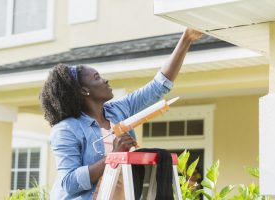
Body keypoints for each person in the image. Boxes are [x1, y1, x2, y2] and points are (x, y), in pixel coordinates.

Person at [40, 28, 203, 200]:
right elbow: (69, 183)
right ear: (83, 90)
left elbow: (159, 86)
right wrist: (113, 157)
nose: (105, 80)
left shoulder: (118, 111)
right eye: (97, 77)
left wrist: (186, 39)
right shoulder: (66, 129)